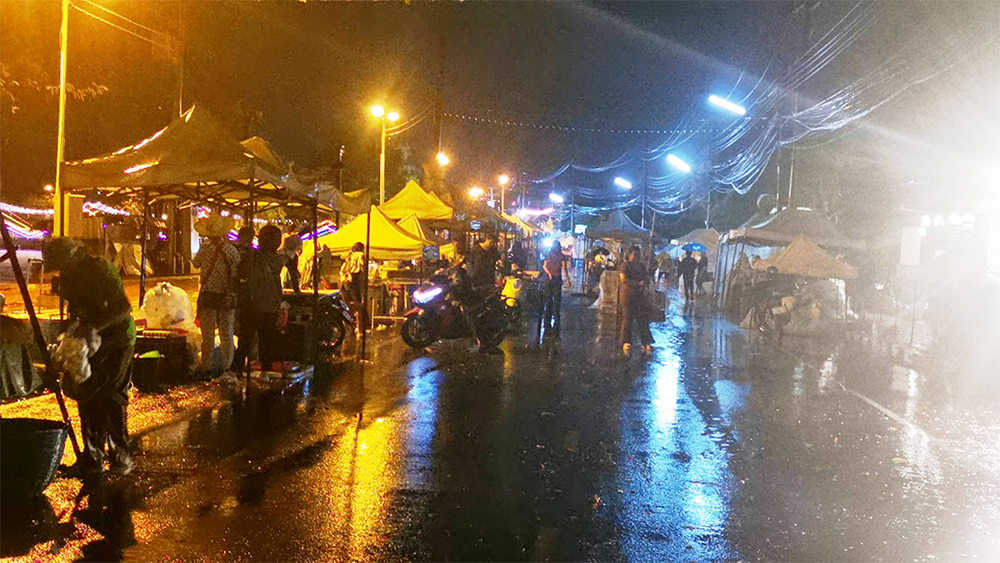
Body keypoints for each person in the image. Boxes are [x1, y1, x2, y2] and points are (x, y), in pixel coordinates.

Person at [44, 237, 136, 476]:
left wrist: (96, 328)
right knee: (87, 396)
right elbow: (76, 313)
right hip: (89, 343)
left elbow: (123, 309)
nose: (61, 271)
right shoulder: (69, 275)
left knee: (112, 396)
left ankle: (120, 456)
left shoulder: (100, 268)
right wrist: (67, 337)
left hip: (118, 339)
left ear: (74, 257)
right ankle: (92, 458)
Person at [192, 214, 241, 376]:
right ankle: (227, 367)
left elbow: (195, 264)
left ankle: (206, 366)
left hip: (208, 296)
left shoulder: (205, 249)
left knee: (208, 335)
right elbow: (236, 272)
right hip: (226, 296)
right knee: (227, 334)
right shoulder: (232, 250)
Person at [237, 225, 285, 374]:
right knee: (266, 341)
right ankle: (265, 371)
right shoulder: (277, 260)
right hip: (269, 306)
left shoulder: (251, 257)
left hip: (251, 304)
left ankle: (236, 370)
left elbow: (240, 274)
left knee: (245, 340)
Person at [620, 245, 654, 355]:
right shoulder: (625, 265)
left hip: (640, 295)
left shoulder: (642, 266)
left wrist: (646, 283)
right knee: (627, 319)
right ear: (630, 255)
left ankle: (646, 342)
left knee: (643, 318)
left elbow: (646, 277)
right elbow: (623, 279)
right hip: (628, 295)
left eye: (638, 255)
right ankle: (626, 342)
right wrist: (637, 283)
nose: (637, 257)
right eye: (634, 255)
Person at [542, 241, 571, 332]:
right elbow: (564, 269)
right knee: (557, 299)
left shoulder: (548, 255)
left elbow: (544, 266)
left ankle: (547, 320)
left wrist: (549, 274)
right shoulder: (561, 256)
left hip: (549, 279)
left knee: (548, 299)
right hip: (557, 278)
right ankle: (556, 320)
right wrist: (568, 280)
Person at [340, 242, 367, 337]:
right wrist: (363, 296)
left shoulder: (348, 257)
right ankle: (359, 330)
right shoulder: (360, 258)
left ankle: (348, 329)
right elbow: (362, 281)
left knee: (346, 307)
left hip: (344, 284)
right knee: (359, 307)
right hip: (353, 285)